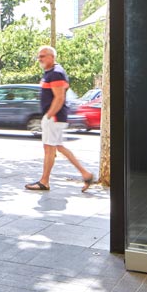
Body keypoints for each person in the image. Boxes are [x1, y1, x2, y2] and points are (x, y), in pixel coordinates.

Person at [25, 45, 94, 192]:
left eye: (43, 56)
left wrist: (49, 116)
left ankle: (44, 182)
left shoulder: (56, 73)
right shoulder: (50, 72)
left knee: (51, 149)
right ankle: (85, 174)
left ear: (52, 57)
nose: (40, 59)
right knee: (56, 147)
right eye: (39, 56)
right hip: (54, 117)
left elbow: (59, 97)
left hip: (54, 117)